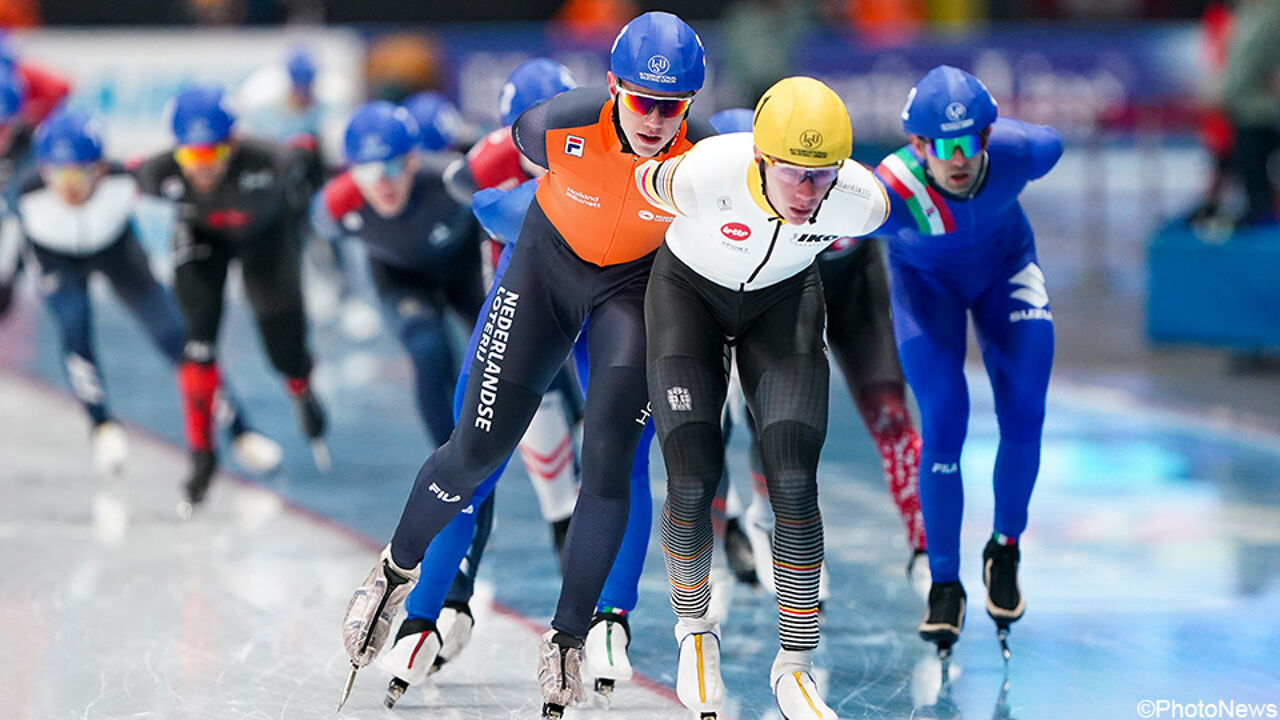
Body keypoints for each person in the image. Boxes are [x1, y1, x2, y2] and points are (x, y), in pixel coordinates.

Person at [340, 13, 714, 718]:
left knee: (606, 460)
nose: (659, 121)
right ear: (611, 88)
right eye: (643, 102)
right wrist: (501, 208)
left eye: (674, 108)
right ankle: (396, 573)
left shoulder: (708, 155)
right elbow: (478, 173)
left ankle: (570, 636)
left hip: (631, 294)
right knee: (476, 451)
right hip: (543, 273)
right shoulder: (555, 124)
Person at [634, 76, 887, 720]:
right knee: (692, 473)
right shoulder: (698, 175)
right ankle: (695, 631)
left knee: (795, 477)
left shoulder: (861, 202)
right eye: (795, 174)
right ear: (758, 158)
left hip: (782, 304)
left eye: (823, 175)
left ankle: (795, 667)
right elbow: (631, 187)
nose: (809, 194)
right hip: (687, 298)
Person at [874, 65, 1061, 657]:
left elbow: (1053, 138)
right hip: (926, 287)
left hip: (1007, 270)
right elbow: (823, 225)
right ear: (917, 146)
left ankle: (1004, 547)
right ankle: (946, 581)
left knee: (1026, 411)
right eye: (940, 147)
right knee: (946, 418)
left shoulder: (1024, 151)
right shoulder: (890, 192)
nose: (956, 160)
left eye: (968, 143)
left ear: (987, 136)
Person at [707, 107, 929, 597]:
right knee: (717, 423)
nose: (799, 192)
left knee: (890, 414)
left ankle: (925, 550)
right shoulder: (711, 198)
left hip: (850, 288)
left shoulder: (855, 193)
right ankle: (727, 547)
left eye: (810, 176)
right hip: (758, 295)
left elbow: (930, 227)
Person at [11, 109, 282, 477]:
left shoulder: (126, 180)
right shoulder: (24, 196)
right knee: (74, 327)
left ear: (102, 169)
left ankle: (241, 430)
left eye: (79, 175)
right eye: (57, 175)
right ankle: (101, 423)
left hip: (118, 253)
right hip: (55, 259)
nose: (68, 188)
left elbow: (186, 191)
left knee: (177, 336)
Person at [134, 83, 328, 511]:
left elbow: (310, 154)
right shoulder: (157, 173)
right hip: (203, 240)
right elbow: (110, 173)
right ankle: (202, 456)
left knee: (285, 349)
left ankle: (300, 385)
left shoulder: (270, 160)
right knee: (198, 342)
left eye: (213, 156)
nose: (202, 170)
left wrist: (305, 214)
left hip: (266, 243)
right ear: (176, 152)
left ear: (233, 145)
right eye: (191, 157)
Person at [313, 101, 485, 448]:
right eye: (367, 173)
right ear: (350, 172)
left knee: (516, 342)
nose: (382, 184)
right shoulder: (335, 205)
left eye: (393, 168)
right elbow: (319, 243)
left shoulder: (452, 178)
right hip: (401, 279)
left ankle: (576, 421)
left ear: (413, 161)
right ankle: (449, 461)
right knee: (428, 348)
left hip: (464, 269)